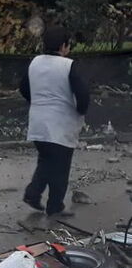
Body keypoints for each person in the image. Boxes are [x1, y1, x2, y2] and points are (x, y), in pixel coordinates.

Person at [20, 25, 89, 217]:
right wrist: (81, 110)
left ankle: (33, 195)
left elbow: (23, 88)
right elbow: (83, 93)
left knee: (47, 161)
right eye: (68, 45)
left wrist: (38, 102)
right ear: (63, 46)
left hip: (38, 123)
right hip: (60, 125)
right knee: (60, 166)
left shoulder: (35, 62)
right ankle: (54, 205)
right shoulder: (68, 65)